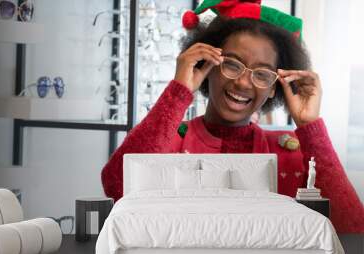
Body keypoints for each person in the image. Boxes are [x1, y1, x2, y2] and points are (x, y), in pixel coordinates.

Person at [101, 0, 364, 233]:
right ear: (208, 65)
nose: (243, 83)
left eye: (262, 73)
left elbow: (352, 228)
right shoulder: (169, 139)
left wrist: (309, 126)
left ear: (274, 87)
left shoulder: (290, 151)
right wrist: (178, 92)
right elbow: (116, 185)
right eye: (232, 64)